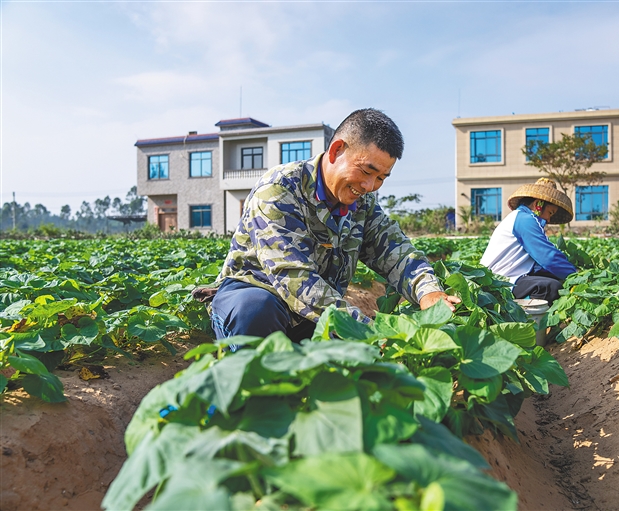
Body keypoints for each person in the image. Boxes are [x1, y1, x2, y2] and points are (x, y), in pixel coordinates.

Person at [209, 108, 460, 342]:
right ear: (336, 150)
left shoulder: (362, 204)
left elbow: (396, 252)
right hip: (256, 295)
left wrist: (428, 292)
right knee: (256, 310)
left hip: (313, 310)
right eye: (365, 171)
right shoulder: (278, 190)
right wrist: (365, 330)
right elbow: (293, 277)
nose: (369, 186)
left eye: (381, 178)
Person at [479, 178, 577, 304]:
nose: (548, 218)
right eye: (550, 212)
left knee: (553, 278)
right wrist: (575, 275)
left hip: (507, 277)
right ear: (538, 204)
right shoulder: (525, 220)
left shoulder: (522, 218)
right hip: (498, 281)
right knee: (550, 287)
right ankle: (517, 312)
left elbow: (538, 264)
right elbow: (548, 258)